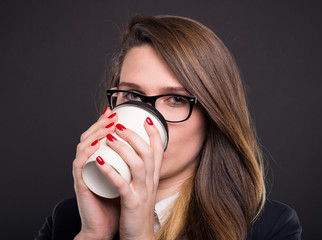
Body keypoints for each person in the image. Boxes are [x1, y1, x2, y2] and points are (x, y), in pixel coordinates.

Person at [36, 15, 302, 240]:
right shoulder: (70, 219)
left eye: (175, 99)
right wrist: (93, 234)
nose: (148, 117)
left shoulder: (269, 227)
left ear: (213, 117)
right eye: (132, 96)